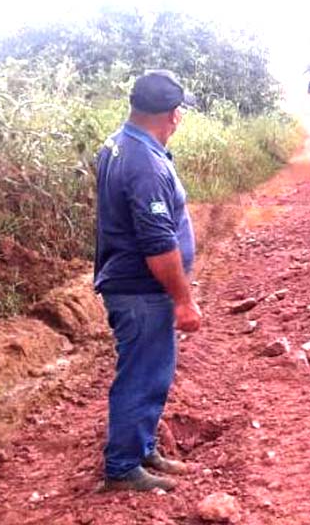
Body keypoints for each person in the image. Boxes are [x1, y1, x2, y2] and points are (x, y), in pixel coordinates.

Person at [93, 70, 203, 492]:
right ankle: (122, 467)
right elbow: (158, 245)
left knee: (149, 372)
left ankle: (142, 449)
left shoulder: (118, 144)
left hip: (131, 284)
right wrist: (183, 300)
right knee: (142, 375)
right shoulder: (145, 164)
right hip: (141, 290)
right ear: (173, 116)